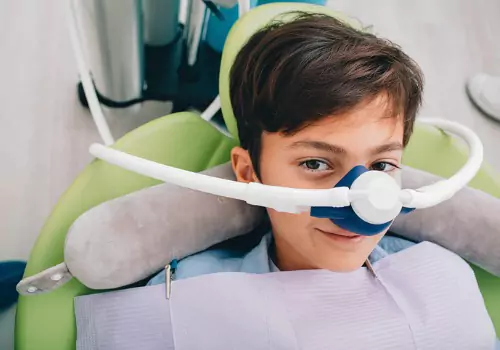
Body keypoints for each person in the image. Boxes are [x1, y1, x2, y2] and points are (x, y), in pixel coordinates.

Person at [149, 12, 498, 347]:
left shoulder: (441, 282)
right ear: (248, 173)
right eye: (316, 163)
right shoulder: (188, 296)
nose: (360, 201)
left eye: (380, 166)